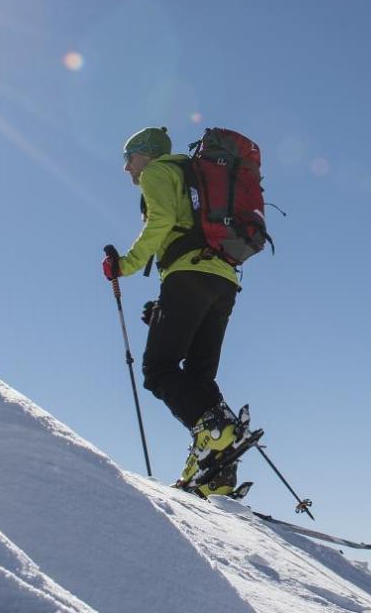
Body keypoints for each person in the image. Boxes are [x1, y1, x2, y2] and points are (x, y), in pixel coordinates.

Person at [102, 126, 249, 496]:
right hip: (224, 280)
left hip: (188, 276)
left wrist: (125, 264)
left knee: (158, 368)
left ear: (146, 154)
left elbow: (162, 221)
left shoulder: (157, 172)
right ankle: (219, 475)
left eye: (128, 157)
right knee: (200, 378)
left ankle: (214, 433)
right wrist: (164, 304)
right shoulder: (190, 174)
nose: (126, 169)